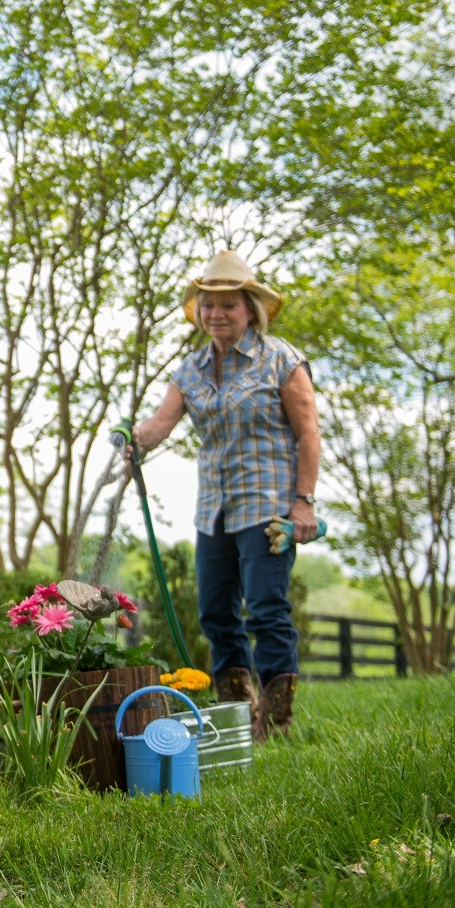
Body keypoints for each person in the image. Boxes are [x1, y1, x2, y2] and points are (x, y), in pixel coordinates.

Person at [128, 251, 321, 738]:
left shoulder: (280, 359)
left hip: (268, 508)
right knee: (215, 613)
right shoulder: (190, 370)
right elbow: (160, 424)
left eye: (228, 305)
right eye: (208, 305)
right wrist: (134, 437)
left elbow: (308, 434)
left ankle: (275, 722)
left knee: (266, 609)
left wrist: (304, 502)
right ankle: (237, 716)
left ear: (250, 310)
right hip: (213, 510)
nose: (216, 313)